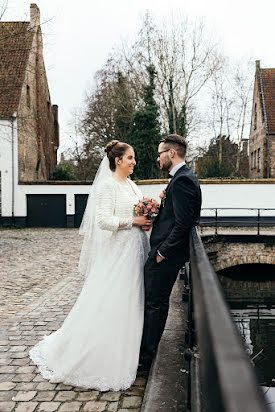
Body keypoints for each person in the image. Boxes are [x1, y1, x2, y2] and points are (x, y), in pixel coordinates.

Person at [29, 140, 151, 391]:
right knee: (114, 301)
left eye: (133, 158)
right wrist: (134, 221)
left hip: (135, 250)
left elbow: (138, 212)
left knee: (132, 301)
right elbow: (103, 220)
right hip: (119, 253)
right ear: (118, 161)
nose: (134, 162)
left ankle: (130, 349)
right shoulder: (108, 186)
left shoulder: (131, 184)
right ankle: (102, 355)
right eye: (130, 158)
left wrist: (148, 217)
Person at [139, 134, 202, 369]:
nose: (158, 158)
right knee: (158, 302)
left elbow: (184, 223)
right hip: (166, 252)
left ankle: (145, 358)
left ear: (171, 153)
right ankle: (148, 351)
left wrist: (162, 252)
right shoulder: (181, 178)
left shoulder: (183, 180)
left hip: (166, 255)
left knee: (154, 302)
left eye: (160, 153)